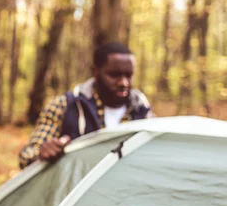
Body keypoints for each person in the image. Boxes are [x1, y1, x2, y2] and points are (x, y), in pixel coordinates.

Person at [19, 42, 153, 169]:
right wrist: (41, 154)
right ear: (95, 72)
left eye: (128, 76)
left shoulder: (142, 112)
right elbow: (27, 155)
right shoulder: (65, 105)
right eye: (114, 75)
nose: (123, 83)